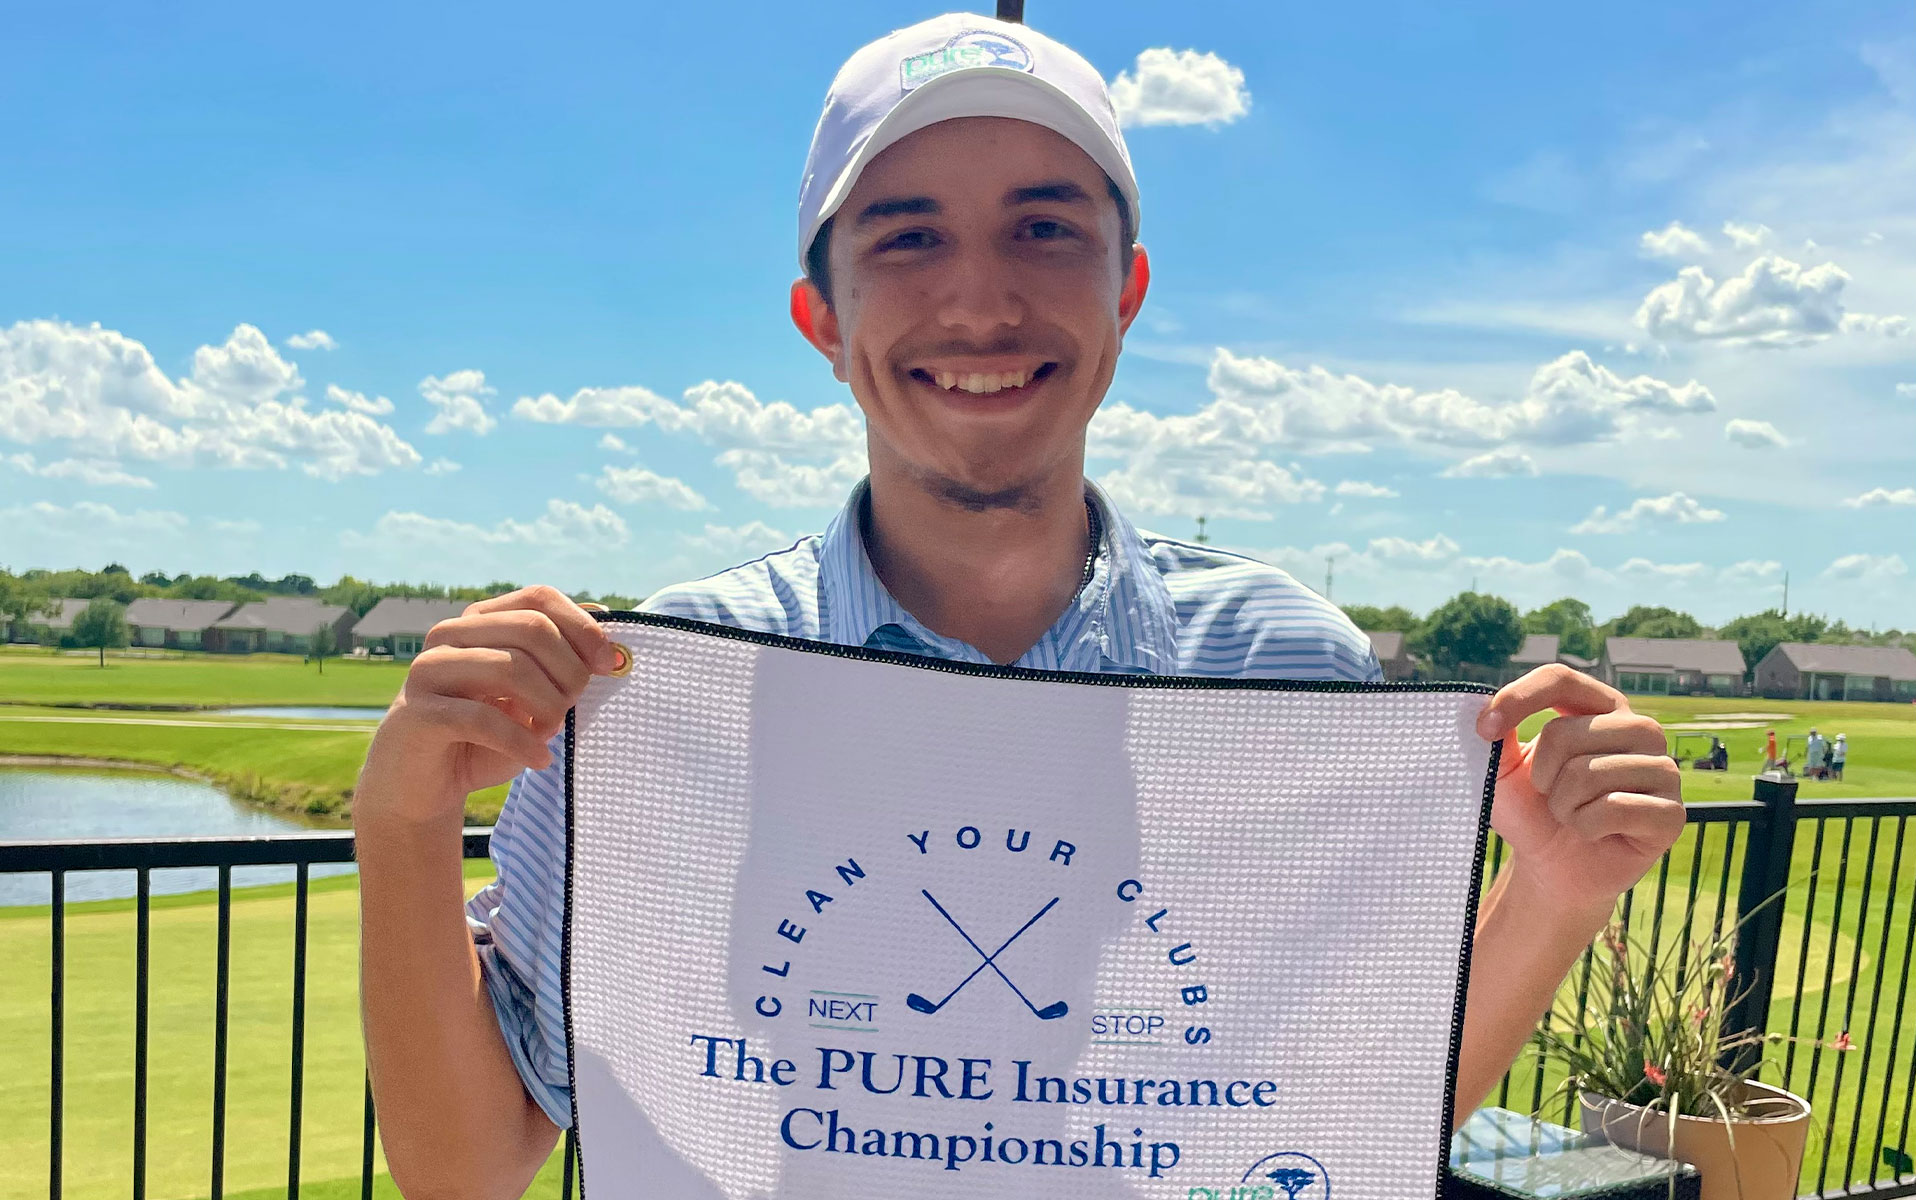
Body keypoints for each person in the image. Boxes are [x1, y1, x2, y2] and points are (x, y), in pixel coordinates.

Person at [350, 14, 1687, 1196]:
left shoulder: (1286, 668)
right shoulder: (658, 695)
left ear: (1128, 290)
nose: (980, 301)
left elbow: (1334, 1124)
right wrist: (403, 818)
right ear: (823, 318)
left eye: (1045, 228)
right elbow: (468, 1168)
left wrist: (1557, 893)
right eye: (908, 237)